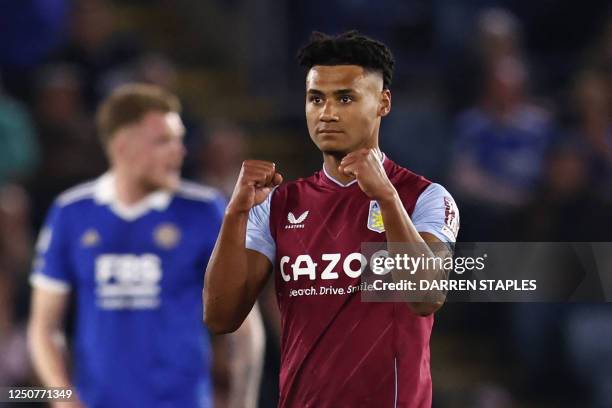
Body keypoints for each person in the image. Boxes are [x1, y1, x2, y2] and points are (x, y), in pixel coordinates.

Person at [204, 31, 460, 407]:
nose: (327, 112)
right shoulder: (278, 205)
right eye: (316, 98)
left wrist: (386, 197)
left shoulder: (424, 197)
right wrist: (235, 213)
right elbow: (220, 316)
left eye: (345, 98)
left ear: (383, 103)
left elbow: (426, 295)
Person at [27, 83, 264, 408]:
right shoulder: (71, 213)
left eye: (179, 139)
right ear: (123, 146)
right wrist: (62, 400)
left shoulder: (206, 211)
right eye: (164, 141)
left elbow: (245, 328)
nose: (180, 151)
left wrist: (243, 403)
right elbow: (44, 327)